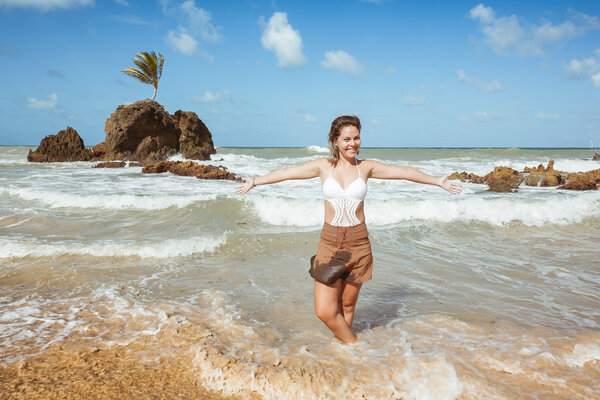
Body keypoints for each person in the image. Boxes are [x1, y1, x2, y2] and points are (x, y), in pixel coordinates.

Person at [235, 115, 462, 343]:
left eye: (357, 138)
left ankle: (343, 352)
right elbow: (286, 173)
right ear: (335, 141)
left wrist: (436, 181)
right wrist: (255, 181)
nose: (353, 143)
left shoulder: (366, 168)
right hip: (330, 243)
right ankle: (354, 346)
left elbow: (403, 172)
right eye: (346, 139)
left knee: (347, 304)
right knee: (324, 311)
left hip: (359, 242)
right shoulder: (324, 167)